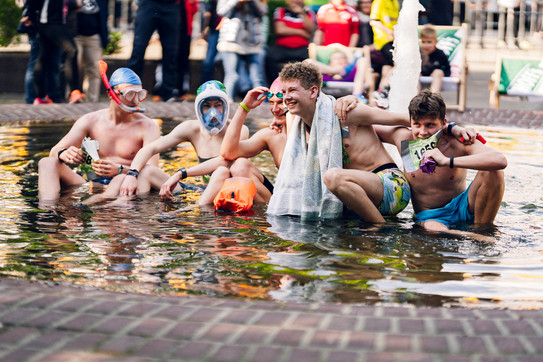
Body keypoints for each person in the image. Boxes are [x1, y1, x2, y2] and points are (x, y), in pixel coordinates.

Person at [267, 61, 411, 222]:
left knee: (333, 177)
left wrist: (442, 132)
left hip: (391, 187)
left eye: (292, 90)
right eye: (284, 92)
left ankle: (379, 229)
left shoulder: (347, 112)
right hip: (355, 197)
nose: (286, 98)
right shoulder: (300, 128)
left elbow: (406, 119)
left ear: (313, 92)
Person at [375, 90, 507, 234]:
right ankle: (473, 237)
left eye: (430, 125)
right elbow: (363, 124)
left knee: (493, 172)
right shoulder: (403, 139)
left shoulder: (457, 140)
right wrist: (350, 101)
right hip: (431, 216)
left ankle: (482, 231)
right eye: (417, 124)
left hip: (464, 205)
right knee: (435, 230)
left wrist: (447, 161)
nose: (423, 132)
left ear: (443, 123)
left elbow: (500, 160)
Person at [37, 67, 160, 201]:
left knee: (120, 179)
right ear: (111, 94)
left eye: (140, 94)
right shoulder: (90, 120)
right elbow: (54, 152)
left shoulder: (148, 126)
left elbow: (151, 172)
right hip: (91, 183)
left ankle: (95, 203)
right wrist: (63, 153)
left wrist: (120, 170)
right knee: (47, 163)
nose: (135, 101)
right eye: (130, 94)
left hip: (126, 185)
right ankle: (47, 213)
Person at [118, 80, 250, 204]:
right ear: (199, 109)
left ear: (226, 106)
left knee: (222, 170)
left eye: (218, 105)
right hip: (201, 191)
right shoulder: (191, 128)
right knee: (146, 171)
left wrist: (181, 173)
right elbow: (150, 149)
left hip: (226, 192)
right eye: (206, 106)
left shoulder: (240, 130)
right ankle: (136, 213)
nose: (213, 112)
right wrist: (131, 174)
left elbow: (225, 160)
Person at [209, 78, 289, 204]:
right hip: (281, 200)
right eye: (271, 103)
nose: (274, 109)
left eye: (280, 103)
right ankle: (266, 214)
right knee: (240, 166)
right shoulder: (272, 135)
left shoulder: (311, 129)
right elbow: (228, 152)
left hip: (309, 200)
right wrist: (244, 107)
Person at [23, 0, 83, 104]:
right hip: (51, 22)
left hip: (49, 22)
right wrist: (29, 13)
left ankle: (40, 97)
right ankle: (74, 91)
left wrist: (29, 14)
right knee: (72, 50)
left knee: (43, 58)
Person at [128, 0, 179, 102]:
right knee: (139, 48)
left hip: (170, 5)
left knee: (171, 50)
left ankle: (168, 92)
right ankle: (130, 89)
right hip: (148, 4)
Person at [216, 0, 265, 102]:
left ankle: (263, 104)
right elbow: (221, 12)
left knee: (257, 76)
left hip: (251, 41)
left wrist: (251, 2)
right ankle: (227, 101)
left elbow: (260, 14)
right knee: (232, 75)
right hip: (231, 40)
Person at [265, 0, 316, 85]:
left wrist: (302, 14)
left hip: (303, 48)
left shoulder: (309, 12)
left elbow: (311, 30)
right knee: (270, 57)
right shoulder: (281, 10)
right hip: (282, 48)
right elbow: (280, 30)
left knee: (312, 60)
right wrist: (302, 32)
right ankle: (276, 85)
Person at [304, 44, 372, 103]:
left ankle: (357, 94)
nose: (339, 60)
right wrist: (335, 70)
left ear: (347, 61)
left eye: (342, 58)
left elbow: (354, 58)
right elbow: (307, 63)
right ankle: (336, 70)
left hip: (351, 83)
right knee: (308, 62)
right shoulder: (323, 76)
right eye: (335, 59)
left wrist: (340, 47)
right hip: (328, 82)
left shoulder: (351, 73)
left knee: (363, 60)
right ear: (330, 63)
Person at [74, 0, 109, 102]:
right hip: (75, 35)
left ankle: (92, 99)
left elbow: (104, 15)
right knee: (74, 67)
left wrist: (104, 38)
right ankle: (72, 96)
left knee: (95, 69)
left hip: (94, 36)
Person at [369, 0, 399, 109]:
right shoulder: (379, 1)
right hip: (384, 40)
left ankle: (380, 99)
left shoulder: (395, 2)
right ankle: (382, 91)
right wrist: (390, 32)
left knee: (387, 67)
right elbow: (374, 21)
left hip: (394, 40)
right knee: (400, 63)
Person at [419, 25, 451, 94]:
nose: (426, 45)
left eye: (429, 42)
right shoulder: (418, 53)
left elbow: (447, 67)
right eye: (423, 42)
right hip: (420, 76)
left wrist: (444, 74)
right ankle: (415, 100)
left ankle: (433, 98)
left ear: (435, 42)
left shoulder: (440, 53)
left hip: (435, 77)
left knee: (438, 72)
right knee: (414, 72)